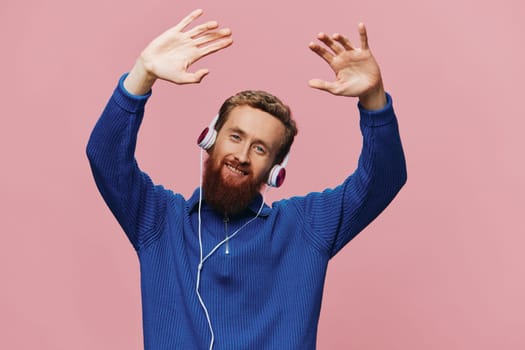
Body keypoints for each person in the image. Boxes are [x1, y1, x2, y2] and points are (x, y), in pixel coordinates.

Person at [86, 8, 407, 350]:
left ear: (274, 168)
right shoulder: (159, 221)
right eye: (235, 137)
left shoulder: (305, 227)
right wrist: (142, 73)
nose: (241, 155)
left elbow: (383, 178)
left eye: (259, 148)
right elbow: (105, 157)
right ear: (210, 139)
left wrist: (374, 99)